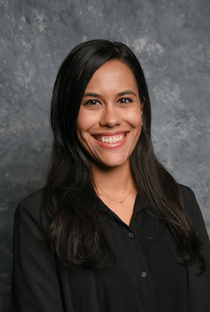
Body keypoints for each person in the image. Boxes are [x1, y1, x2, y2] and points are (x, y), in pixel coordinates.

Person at [12, 39, 210, 312]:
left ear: (141, 106)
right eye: (92, 102)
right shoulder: (38, 217)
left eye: (124, 100)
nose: (111, 119)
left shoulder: (182, 202)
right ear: (68, 114)